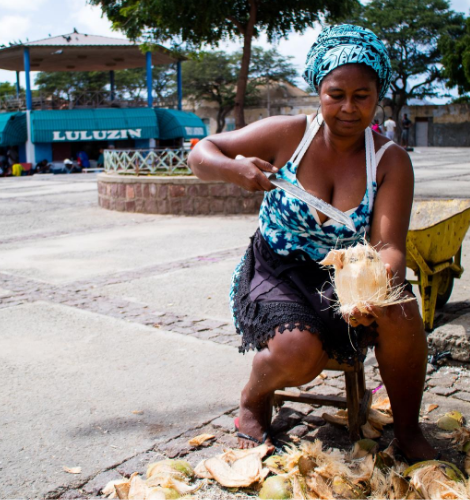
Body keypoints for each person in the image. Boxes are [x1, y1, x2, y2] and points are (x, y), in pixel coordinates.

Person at [188, 24, 436, 460]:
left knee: (401, 309)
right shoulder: (289, 134)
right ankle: (253, 396)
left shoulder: (389, 160)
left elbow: (389, 245)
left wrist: (380, 284)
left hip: (345, 276)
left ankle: (409, 430)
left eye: (362, 96)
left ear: (378, 96)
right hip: (277, 269)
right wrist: (235, 170)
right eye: (335, 94)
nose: (347, 108)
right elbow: (200, 152)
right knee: (300, 354)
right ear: (318, 90)